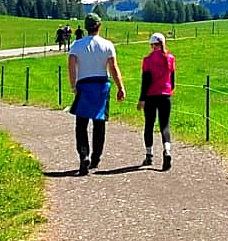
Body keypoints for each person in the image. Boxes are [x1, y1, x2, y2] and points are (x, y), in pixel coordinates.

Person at [68, 13, 126, 176]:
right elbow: (113, 68)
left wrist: (73, 86)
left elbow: (71, 66)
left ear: (86, 27)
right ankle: (95, 158)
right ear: (99, 26)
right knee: (99, 123)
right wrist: (120, 87)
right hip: (101, 85)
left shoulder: (76, 45)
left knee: (81, 125)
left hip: (84, 85)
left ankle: (83, 155)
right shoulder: (107, 45)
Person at [136, 32, 176, 171]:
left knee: (149, 125)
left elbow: (145, 81)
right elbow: (172, 80)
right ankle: (167, 151)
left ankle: (149, 155)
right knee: (165, 125)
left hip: (151, 96)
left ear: (152, 45)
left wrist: (142, 99)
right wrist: (170, 90)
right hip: (165, 95)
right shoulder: (170, 58)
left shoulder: (147, 60)